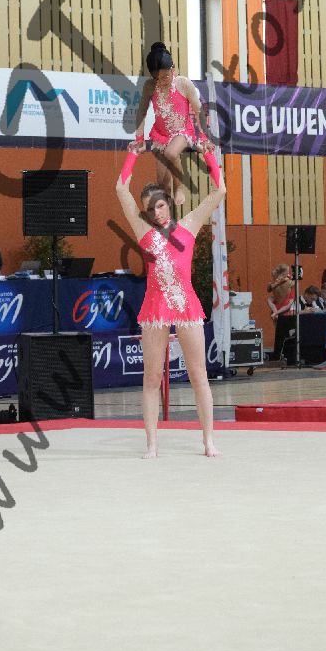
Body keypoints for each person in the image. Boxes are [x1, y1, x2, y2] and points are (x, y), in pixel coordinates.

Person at [115, 149, 225, 458]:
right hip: (156, 306)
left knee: (198, 374)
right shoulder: (143, 230)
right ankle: (152, 444)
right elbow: (120, 189)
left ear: (168, 203)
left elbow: (220, 191)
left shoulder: (189, 224)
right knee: (152, 378)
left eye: (160, 205)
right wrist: (132, 154)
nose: (157, 212)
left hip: (186, 304)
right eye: (151, 209)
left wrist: (209, 155)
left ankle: (208, 440)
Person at [128, 41, 217, 208]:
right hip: (160, 135)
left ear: (173, 69)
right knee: (162, 184)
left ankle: (179, 188)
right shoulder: (149, 86)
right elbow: (141, 112)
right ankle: (166, 219)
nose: (161, 82)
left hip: (182, 132)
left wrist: (204, 138)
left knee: (171, 152)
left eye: (165, 77)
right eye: (157, 79)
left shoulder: (183, 84)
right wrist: (139, 138)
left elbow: (199, 110)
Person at [267, 263, 296, 360]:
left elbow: (270, 292)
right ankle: (285, 354)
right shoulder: (289, 282)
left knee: (279, 335)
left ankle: (278, 354)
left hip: (277, 308)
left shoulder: (274, 283)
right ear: (285, 272)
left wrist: (275, 311)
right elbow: (289, 303)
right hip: (286, 311)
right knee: (287, 335)